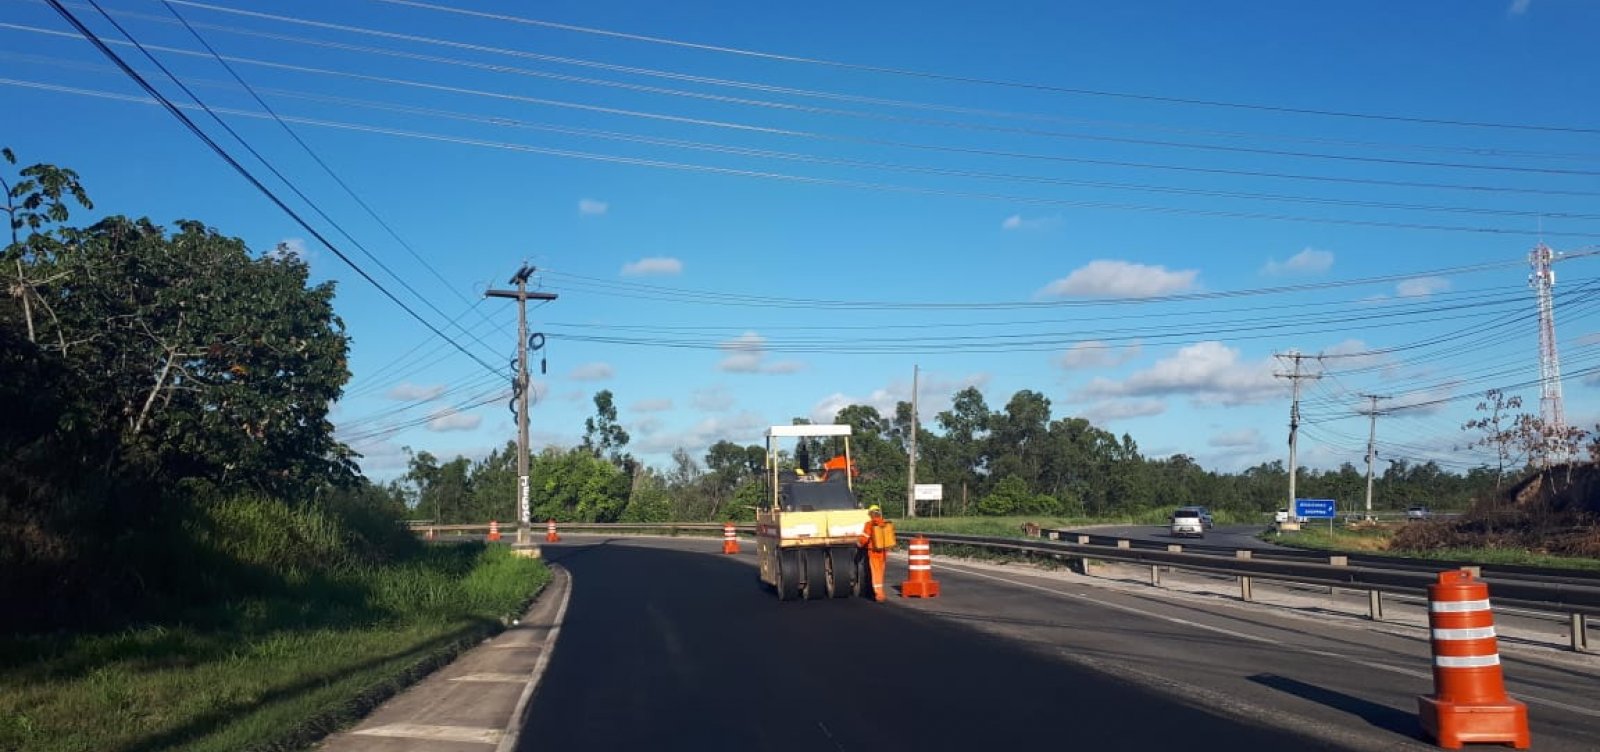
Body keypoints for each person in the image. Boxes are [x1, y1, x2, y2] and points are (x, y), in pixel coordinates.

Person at [857, 504, 892, 602]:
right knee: (880, 572)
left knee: (876, 573)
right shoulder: (885, 523)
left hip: (873, 551)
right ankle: (880, 592)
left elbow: (865, 538)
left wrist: (859, 544)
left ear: (871, 514)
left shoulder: (869, 524)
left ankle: (879, 595)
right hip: (884, 552)